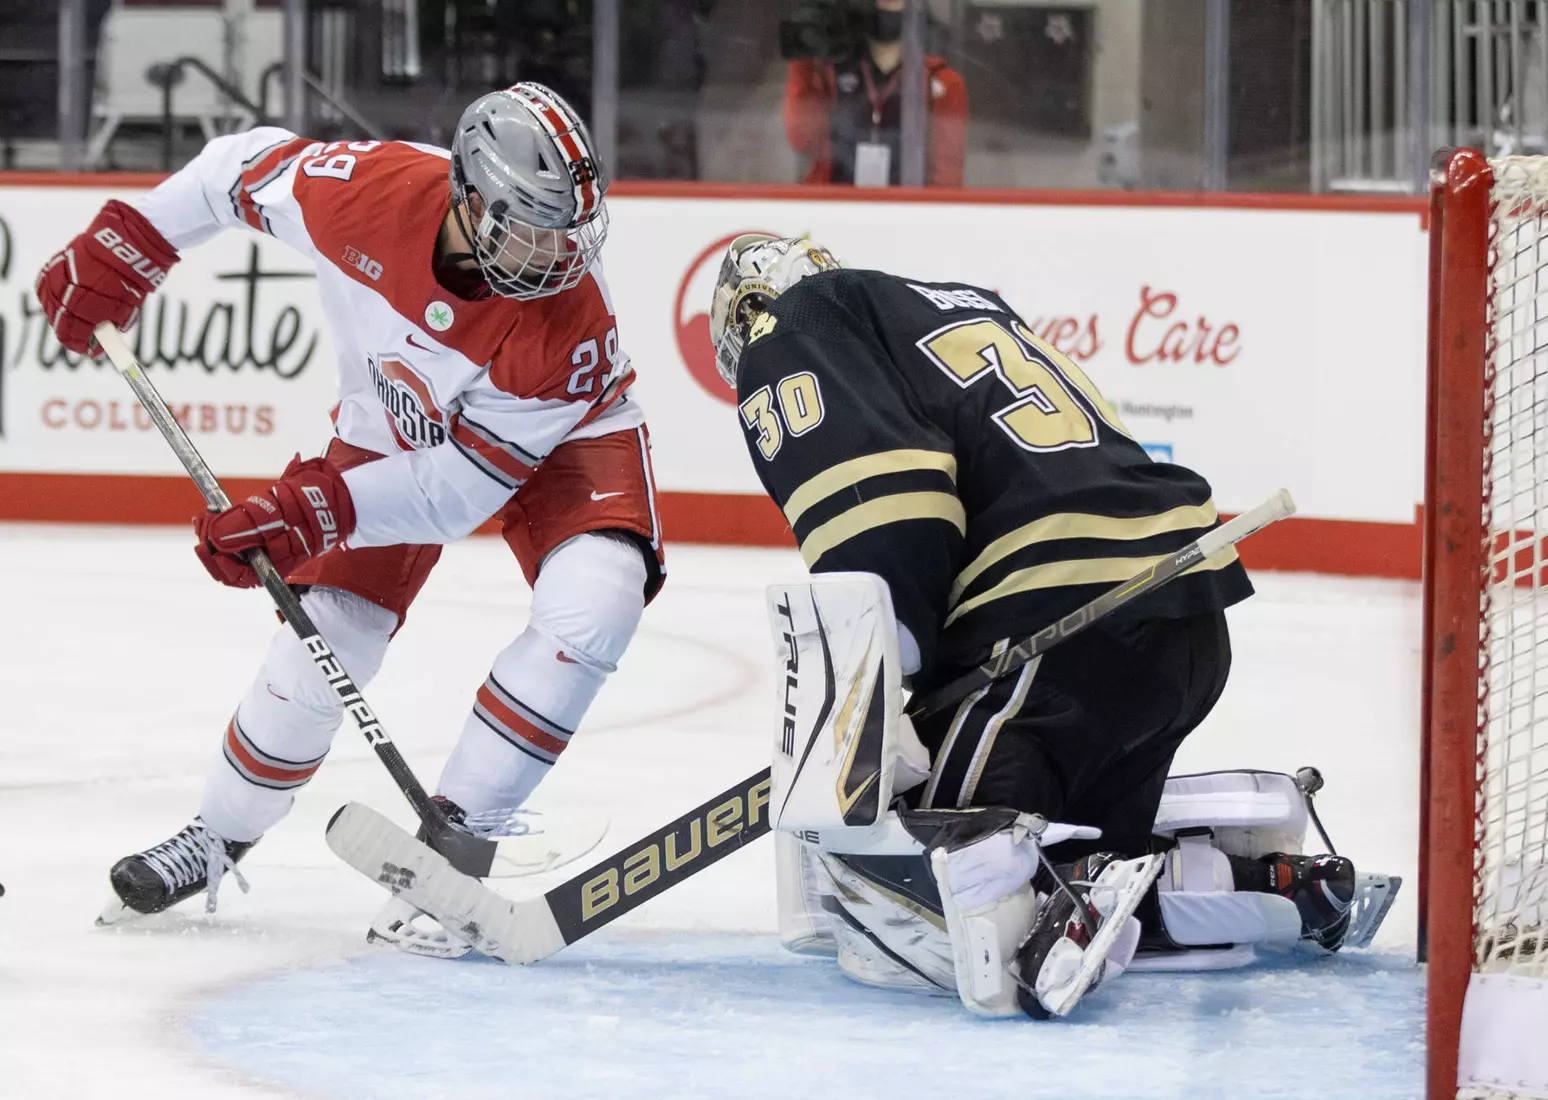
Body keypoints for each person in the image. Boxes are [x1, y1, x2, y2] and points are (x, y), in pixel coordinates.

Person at [35, 83, 664, 958]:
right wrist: (133, 245)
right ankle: (217, 836)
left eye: (569, 229)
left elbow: (459, 492)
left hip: (565, 445)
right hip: (393, 435)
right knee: (318, 644)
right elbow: (232, 170)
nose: (558, 253)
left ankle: (455, 847)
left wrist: (311, 509)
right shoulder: (364, 191)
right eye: (531, 225)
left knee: (596, 605)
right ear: (471, 199)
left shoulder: (567, 318)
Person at [708, 235, 1387, 1019]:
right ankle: (1268, 882)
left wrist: (893, 687)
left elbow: (889, 521)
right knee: (1082, 855)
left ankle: (1045, 915)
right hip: (1180, 614)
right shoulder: (952, 304)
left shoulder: (794, 324)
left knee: (912, 868)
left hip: (1058, 628)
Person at [782, 0, 966, 187]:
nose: (881, 4)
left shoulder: (942, 83)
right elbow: (802, 140)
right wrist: (802, 58)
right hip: (835, 208)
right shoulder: (830, 71)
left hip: (905, 211)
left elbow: (946, 184)